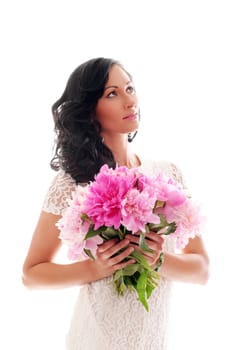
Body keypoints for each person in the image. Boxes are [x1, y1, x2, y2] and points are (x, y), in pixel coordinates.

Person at [22, 57, 210, 350]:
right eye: (112, 93)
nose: (129, 101)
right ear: (89, 110)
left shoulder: (167, 173)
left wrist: (159, 260)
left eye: (130, 88)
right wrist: (93, 270)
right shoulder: (74, 182)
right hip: (96, 337)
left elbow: (201, 270)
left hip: (154, 339)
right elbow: (31, 274)